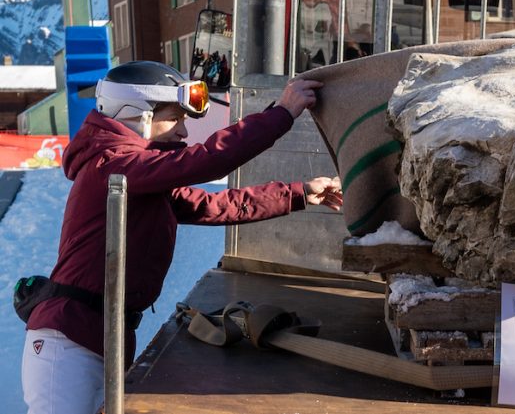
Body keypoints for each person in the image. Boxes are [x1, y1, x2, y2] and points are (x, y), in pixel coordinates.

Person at [21, 61, 344, 414]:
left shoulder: (135, 173)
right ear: (138, 115)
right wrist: (281, 114)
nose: (184, 132)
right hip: (67, 343)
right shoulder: (114, 165)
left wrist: (299, 193)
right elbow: (206, 161)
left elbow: (218, 205)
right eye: (176, 118)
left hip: (100, 338)